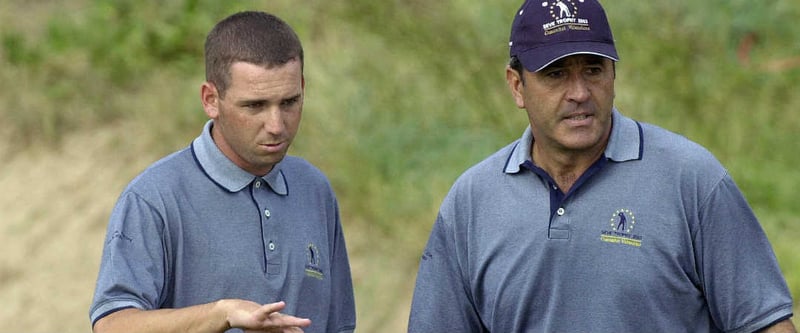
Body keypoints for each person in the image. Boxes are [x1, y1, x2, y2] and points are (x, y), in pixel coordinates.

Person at [407, 0, 796, 332]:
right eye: (556, 74)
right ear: (516, 85)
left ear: (613, 75)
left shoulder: (691, 180)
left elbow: (765, 323)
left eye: (593, 70)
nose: (579, 93)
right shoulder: (473, 202)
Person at [89, 11, 356, 333]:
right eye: (254, 106)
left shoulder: (314, 188)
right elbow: (113, 325)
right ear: (211, 99)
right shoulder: (153, 198)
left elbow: (340, 325)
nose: (276, 125)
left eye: (289, 102)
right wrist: (221, 314)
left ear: (302, 88)